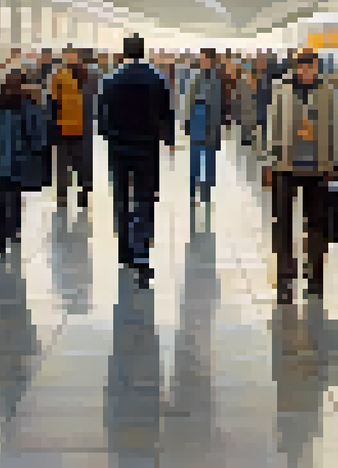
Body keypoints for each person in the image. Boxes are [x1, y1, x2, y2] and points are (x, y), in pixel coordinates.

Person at [266, 50, 338, 304]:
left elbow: (336, 126)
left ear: (316, 68)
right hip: (285, 165)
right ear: (296, 68)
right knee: (283, 224)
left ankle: (315, 276)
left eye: (310, 67)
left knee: (317, 224)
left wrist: (337, 164)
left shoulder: (327, 91)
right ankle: (285, 276)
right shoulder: (282, 89)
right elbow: (272, 124)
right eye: (302, 67)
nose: (306, 72)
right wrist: (270, 161)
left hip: (318, 167)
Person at [98, 34, 174, 290]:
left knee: (120, 196)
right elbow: (166, 113)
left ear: (124, 52)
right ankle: (141, 251)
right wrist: (168, 138)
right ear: (143, 52)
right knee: (144, 197)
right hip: (146, 147)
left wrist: (109, 134)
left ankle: (124, 251)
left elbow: (102, 114)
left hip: (118, 147)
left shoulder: (110, 79)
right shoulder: (156, 78)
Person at [0, 71, 46, 253]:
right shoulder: (27, 106)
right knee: (15, 195)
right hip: (18, 158)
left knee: (0, 198)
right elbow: (37, 135)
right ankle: (14, 229)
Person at [181, 48, 226, 207]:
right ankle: (194, 190)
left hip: (211, 120)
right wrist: (187, 121)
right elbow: (189, 100)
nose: (202, 62)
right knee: (195, 157)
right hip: (197, 119)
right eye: (201, 59)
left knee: (209, 158)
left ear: (211, 60)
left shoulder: (218, 78)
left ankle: (207, 190)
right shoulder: (196, 77)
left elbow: (220, 103)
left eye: (204, 58)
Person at [50, 49, 94, 207]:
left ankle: (69, 194)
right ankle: (75, 193)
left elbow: (52, 100)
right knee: (79, 161)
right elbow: (53, 100)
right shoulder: (87, 75)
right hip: (74, 126)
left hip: (71, 125)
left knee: (68, 161)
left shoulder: (61, 75)